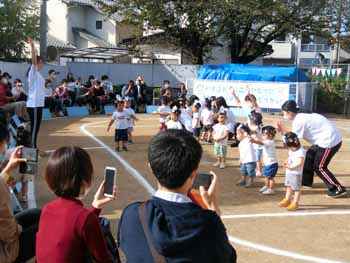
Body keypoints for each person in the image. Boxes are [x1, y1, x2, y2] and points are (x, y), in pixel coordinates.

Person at [117, 129, 237, 263]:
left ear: (151, 168)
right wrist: (213, 209)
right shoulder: (209, 223)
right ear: (193, 174)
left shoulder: (132, 213)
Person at [36, 146, 118, 263]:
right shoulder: (85, 218)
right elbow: (104, 259)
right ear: (85, 180)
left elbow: (73, 224)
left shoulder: (47, 209)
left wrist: (95, 205)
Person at [277, 100, 347, 198]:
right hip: (323, 139)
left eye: (284, 113)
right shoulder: (301, 116)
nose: (283, 115)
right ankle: (306, 181)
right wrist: (283, 131)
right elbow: (293, 135)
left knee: (320, 167)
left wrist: (282, 131)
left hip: (329, 141)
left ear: (289, 112)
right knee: (309, 155)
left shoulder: (299, 121)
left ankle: (338, 188)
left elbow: (293, 140)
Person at [0, 125, 41, 263]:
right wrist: (19, 229)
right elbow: (8, 232)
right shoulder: (30, 152)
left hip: (4, 233)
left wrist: (8, 169)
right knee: (48, 227)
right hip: (6, 249)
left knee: (37, 213)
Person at [27, 37, 46, 149]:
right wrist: (33, 47)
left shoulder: (38, 75)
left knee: (36, 127)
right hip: (33, 104)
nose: (43, 64)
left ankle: (33, 147)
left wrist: (48, 79)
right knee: (34, 128)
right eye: (42, 62)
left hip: (39, 104)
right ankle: (32, 149)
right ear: (38, 62)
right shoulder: (32, 72)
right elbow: (33, 61)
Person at [279, 132, 306, 211]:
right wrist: (286, 160)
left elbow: (300, 162)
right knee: (289, 186)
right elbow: (290, 156)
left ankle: (295, 203)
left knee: (296, 189)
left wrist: (291, 166)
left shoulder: (301, 151)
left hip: (296, 173)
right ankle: (287, 199)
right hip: (289, 172)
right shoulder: (291, 149)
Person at [250, 126, 278, 195]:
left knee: (270, 177)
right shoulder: (267, 140)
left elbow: (261, 143)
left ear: (270, 135)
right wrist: (254, 136)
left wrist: (254, 141)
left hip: (272, 164)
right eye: (263, 134)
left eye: (264, 134)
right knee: (266, 176)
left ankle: (271, 189)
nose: (263, 136)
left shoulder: (270, 142)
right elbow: (261, 141)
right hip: (267, 163)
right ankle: (266, 186)